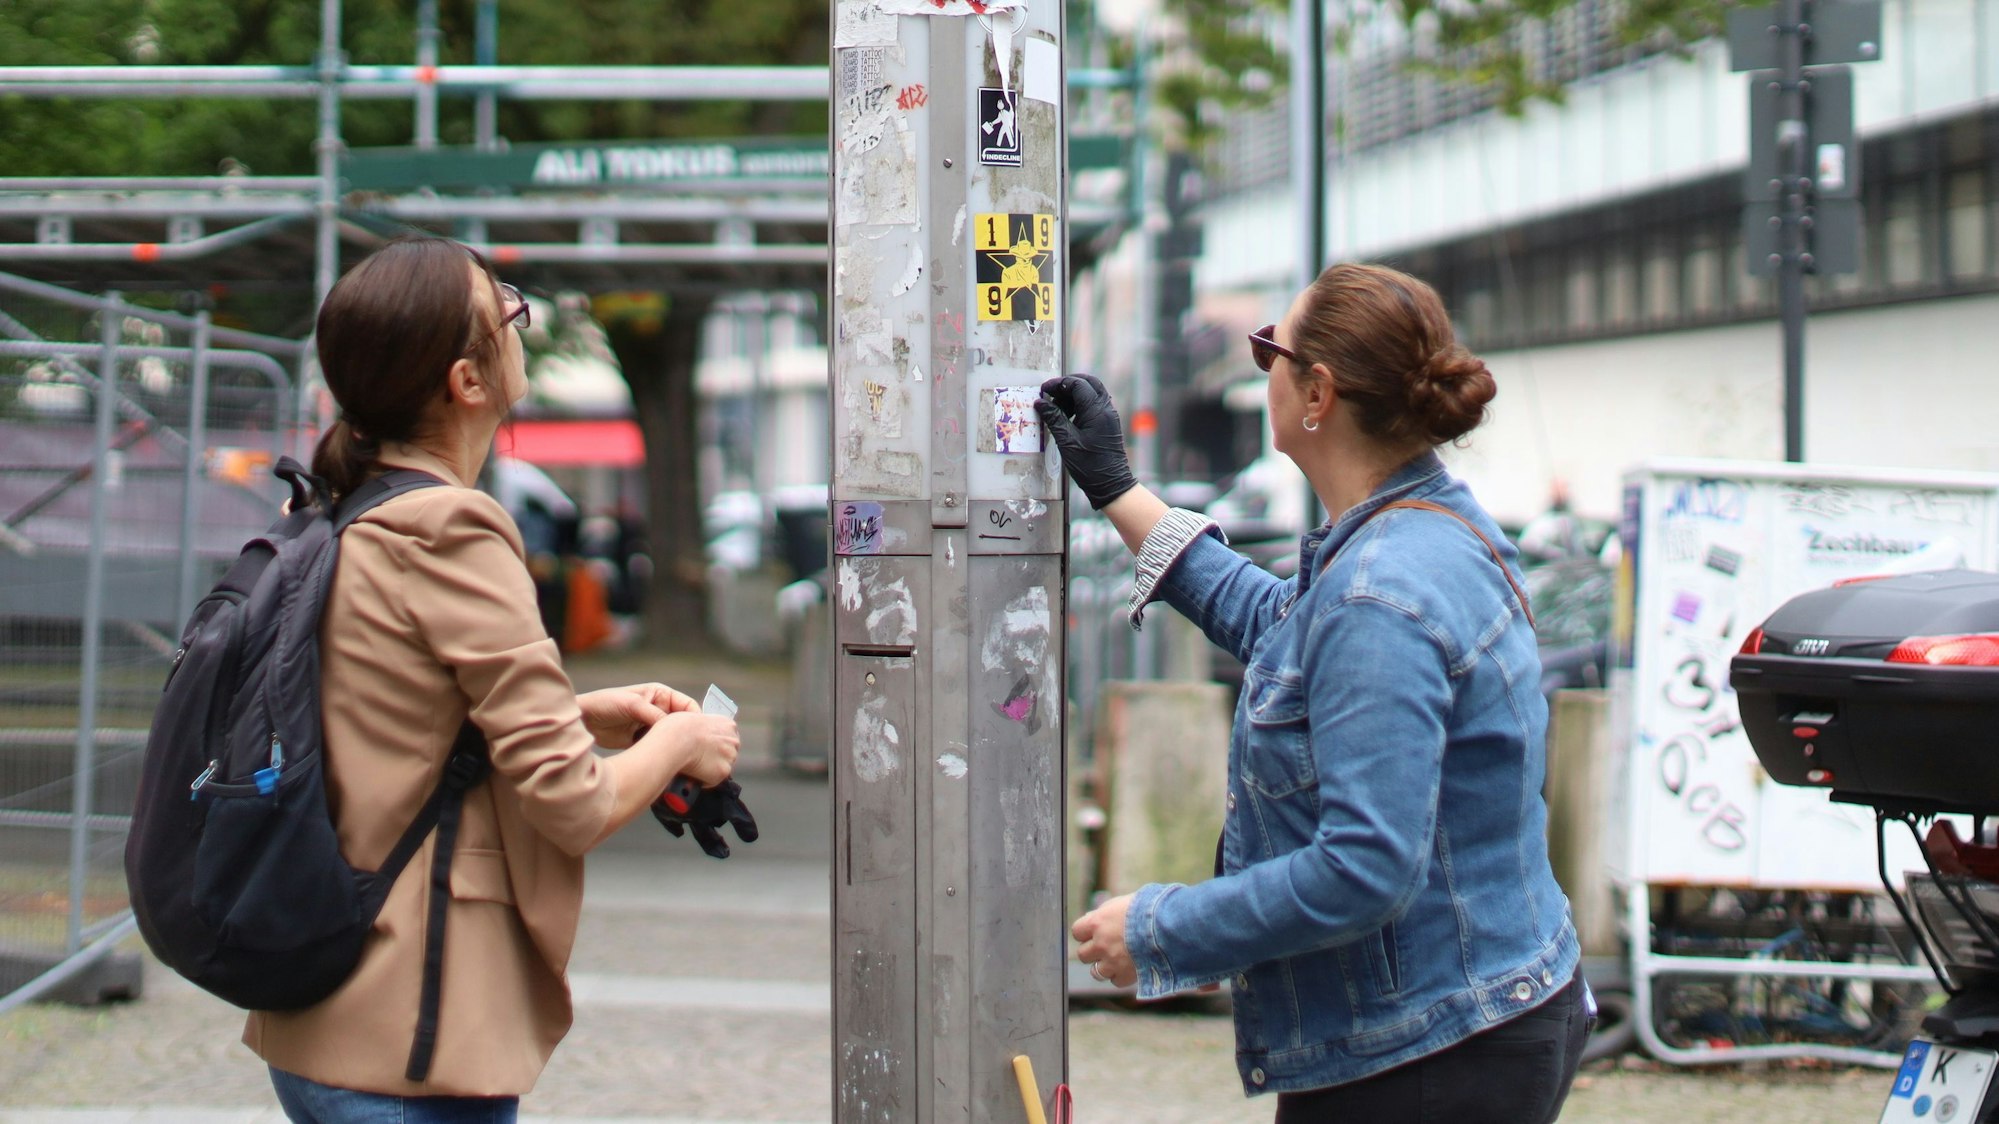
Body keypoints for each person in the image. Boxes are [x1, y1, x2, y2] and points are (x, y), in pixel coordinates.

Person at [1042, 263, 1591, 1123]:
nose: (1261, 369)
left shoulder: (1381, 591)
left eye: (1271, 351)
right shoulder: (1422, 528)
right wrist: (1116, 488)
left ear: (1317, 392)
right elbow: (1282, 626)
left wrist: (1161, 930)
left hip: (1428, 1049)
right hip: (1479, 1008)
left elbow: (1364, 869)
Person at [248, 236, 740, 1122]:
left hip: (329, 1012)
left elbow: (396, 721)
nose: (522, 320)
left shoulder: (356, 509)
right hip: (414, 1031)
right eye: (506, 310)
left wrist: (579, 710)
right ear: (466, 382)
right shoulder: (452, 531)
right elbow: (574, 803)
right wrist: (684, 740)